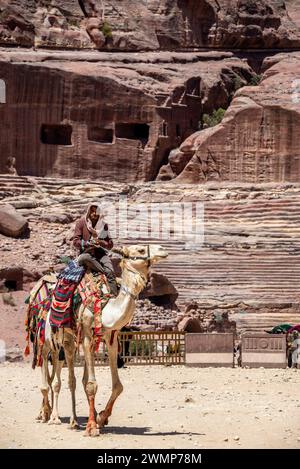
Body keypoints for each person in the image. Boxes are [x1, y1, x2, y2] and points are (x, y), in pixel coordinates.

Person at [73, 203, 118, 296]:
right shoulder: (81, 223)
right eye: (92, 211)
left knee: (110, 270)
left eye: (96, 211)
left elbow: (110, 245)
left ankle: (114, 296)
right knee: (84, 258)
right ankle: (105, 273)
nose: (94, 213)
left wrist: (100, 242)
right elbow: (76, 242)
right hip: (86, 253)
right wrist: (87, 243)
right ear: (89, 211)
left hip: (100, 253)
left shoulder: (104, 225)